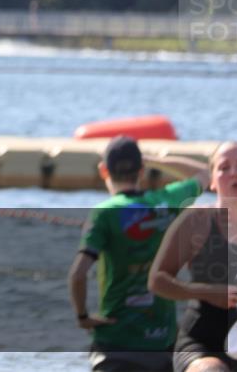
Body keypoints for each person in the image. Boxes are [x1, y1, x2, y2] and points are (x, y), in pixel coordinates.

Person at [67, 135, 211, 372]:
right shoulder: (167, 201)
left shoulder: (104, 213)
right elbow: (205, 173)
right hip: (161, 339)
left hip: (116, 340)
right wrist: (155, 160)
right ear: (141, 170)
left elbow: (78, 274)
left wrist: (83, 316)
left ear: (104, 171)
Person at [149, 141, 237, 372]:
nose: (234, 172)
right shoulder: (196, 222)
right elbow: (157, 280)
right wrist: (207, 292)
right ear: (212, 181)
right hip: (202, 339)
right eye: (224, 167)